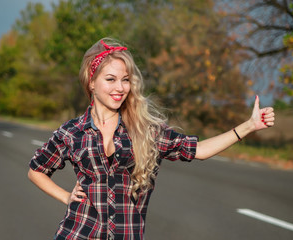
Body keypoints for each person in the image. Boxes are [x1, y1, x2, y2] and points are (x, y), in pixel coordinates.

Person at [28, 38, 275, 240]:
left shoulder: (146, 129)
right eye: (110, 79)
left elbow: (198, 150)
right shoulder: (72, 132)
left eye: (125, 80)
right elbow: (36, 170)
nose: (120, 88)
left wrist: (248, 126)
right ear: (91, 82)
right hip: (78, 232)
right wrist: (66, 197)